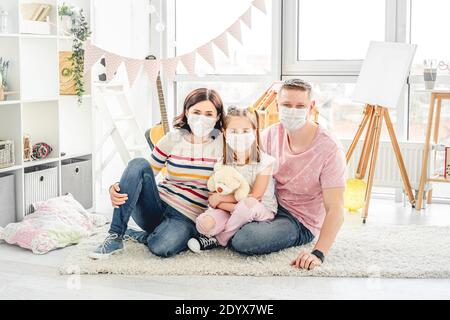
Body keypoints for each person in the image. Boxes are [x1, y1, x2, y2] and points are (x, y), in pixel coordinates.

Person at [89, 88, 225, 259]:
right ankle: (115, 236)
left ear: (218, 117)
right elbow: (144, 172)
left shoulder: (222, 144)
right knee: (138, 163)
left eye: (208, 114)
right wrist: (115, 187)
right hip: (155, 205)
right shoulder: (172, 138)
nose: (201, 118)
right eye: (196, 112)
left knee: (162, 247)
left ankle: (143, 236)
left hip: (186, 217)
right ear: (187, 112)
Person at [230, 79, 346, 271]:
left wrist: (318, 253)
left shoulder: (330, 149)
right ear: (277, 105)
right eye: (286, 105)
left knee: (245, 239)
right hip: (269, 205)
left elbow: (336, 209)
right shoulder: (269, 135)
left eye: (300, 106)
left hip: (299, 220)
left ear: (311, 106)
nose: (293, 111)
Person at [187, 105, 278, 252]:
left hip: (260, 209)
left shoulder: (265, 162)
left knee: (247, 205)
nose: (240, 136)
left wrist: (222, 200)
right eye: (234, 132)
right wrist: (225, 204)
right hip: (230, 210)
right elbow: (213, 197)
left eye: (245, 131)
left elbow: (256, 196)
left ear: (255, 132)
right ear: (224, 133)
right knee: (205, 222)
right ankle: (224, 229)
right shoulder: (222, 162)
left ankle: (219, 239)